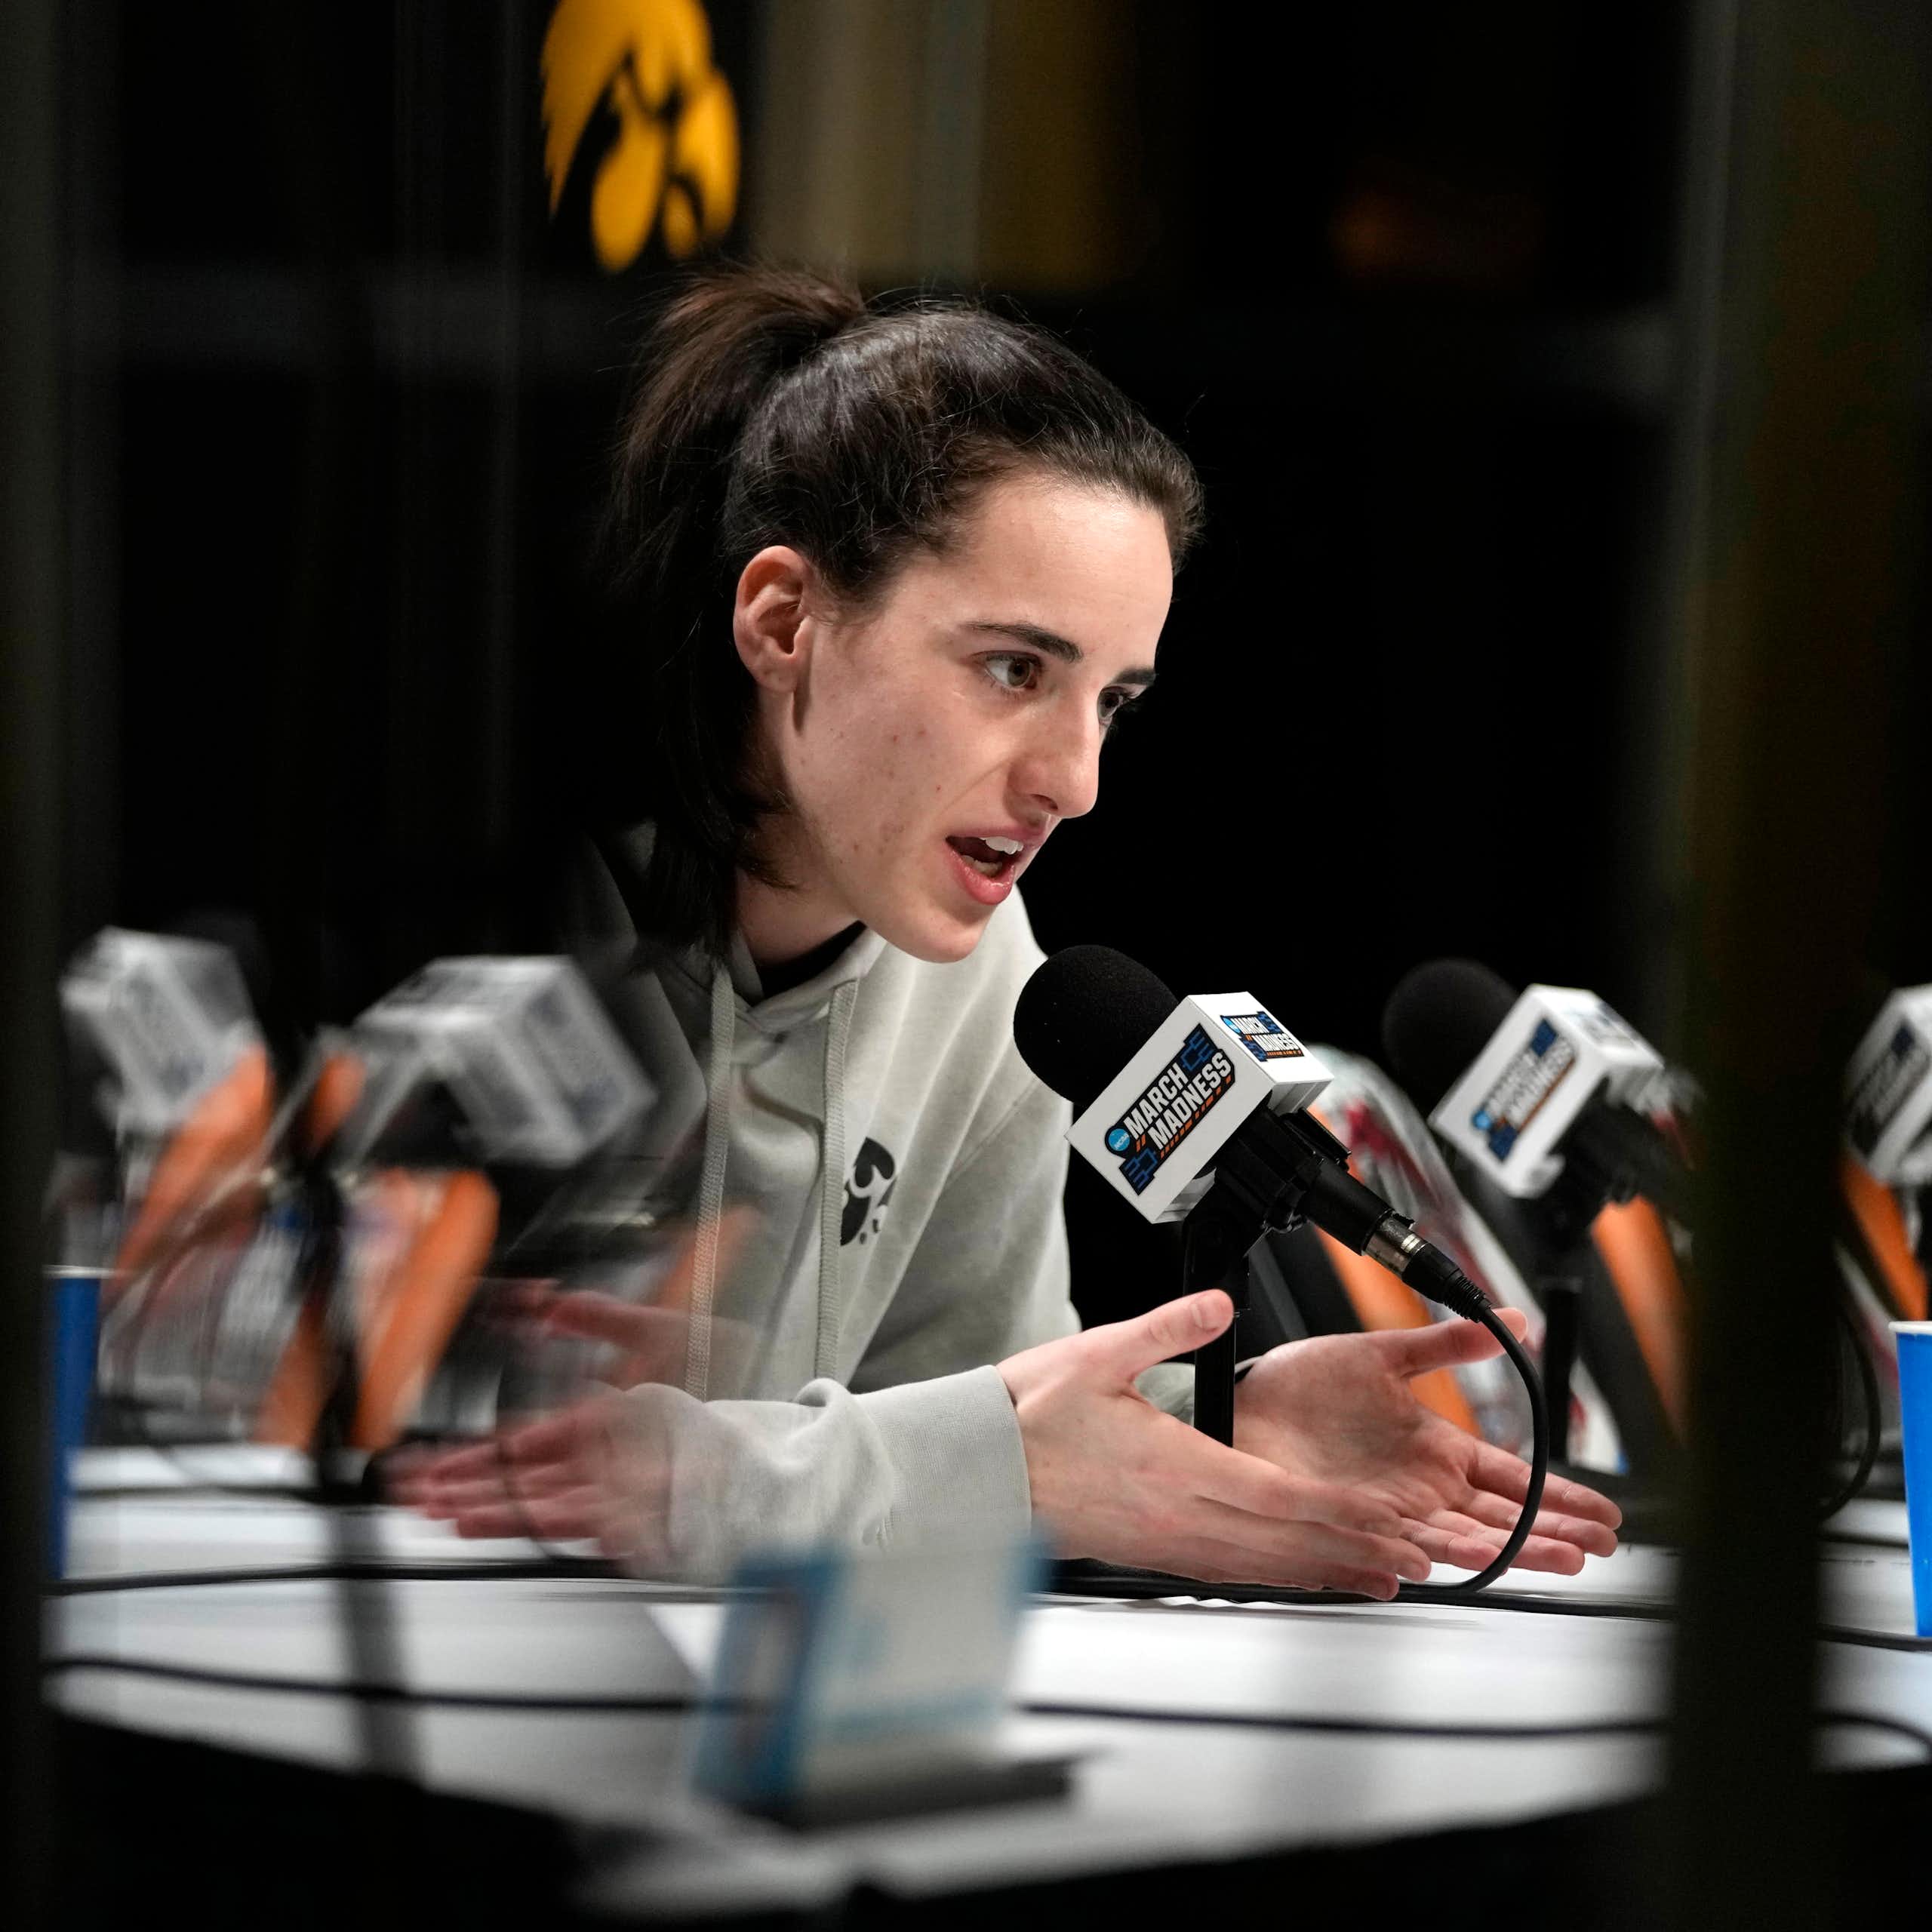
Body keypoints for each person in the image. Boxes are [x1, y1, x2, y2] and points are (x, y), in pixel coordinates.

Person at [396, 263, 1621, 1592]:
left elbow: (960, 1423)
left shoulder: (994, 978)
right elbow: (472, 1461)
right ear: (784, 619)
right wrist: (1007, 1473)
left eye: (1112, 702)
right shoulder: (497, 929)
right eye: (1014, 670)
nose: (1074, 782)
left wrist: (1212, 1421)